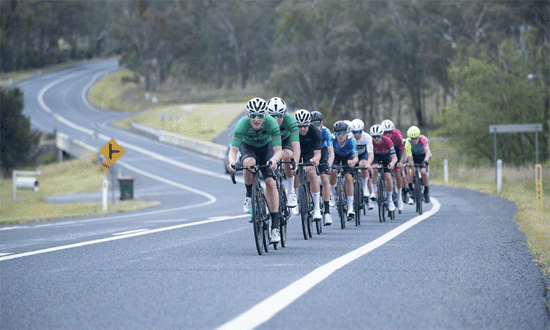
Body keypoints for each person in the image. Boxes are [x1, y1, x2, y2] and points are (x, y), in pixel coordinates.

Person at [227, 97, 283, 243]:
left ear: (265, 115)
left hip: (266, 149)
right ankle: (249, 195)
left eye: (260, 116)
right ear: (248, 116)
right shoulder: (242, 125)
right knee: (249, 163)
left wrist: (274, 160)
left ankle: (275, 227)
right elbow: (233, 150)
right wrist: (232, 163)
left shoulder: (271, 123)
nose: (256, 119)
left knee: (271, 183)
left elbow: (278, 151)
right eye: (253, 116)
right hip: (249, 147)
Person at [266, 97, 300, 208]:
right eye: (273, 116)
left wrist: (295, 163)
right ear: (267, 114)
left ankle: (290, 191)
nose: (276, 119)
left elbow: (296, 146)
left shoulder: (290, 120)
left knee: (286, 156)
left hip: (286, 141)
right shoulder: (263, 121)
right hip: (271, 142)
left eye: (280, 115)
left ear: (285, 113)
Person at [292, 109, 323, 222]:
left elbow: (318, 153)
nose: (303, 129)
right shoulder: (293, 131)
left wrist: (315, 160)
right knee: (294, 170)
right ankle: (295, 201)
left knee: (311, 170)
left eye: (305, 126)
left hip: (310, 151)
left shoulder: (315, 131)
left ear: (309, 123)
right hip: (297, 151)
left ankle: (316, 208)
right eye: (299, 126)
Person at [329, 120, 359, 219]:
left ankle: (350, 207)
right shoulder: (332, 139)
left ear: (346, 133)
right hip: (336, 156)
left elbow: (355, 157)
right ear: (335, 134)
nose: (340, 136)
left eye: (342, 133)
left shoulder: (351, 140)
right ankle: (333, 196)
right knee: (333, 171)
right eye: (337, 133)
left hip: (348, 157)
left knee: (348, 177)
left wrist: (353, 162)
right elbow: (328, 154)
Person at [311, 110, 334, 225]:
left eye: (317, 124)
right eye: (312, 124)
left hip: (323, 153)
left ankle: (327, 212)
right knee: (308, 175)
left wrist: (329, 164)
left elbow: (331, 152)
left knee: (325, 180)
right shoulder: (308, 131)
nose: (315, 126)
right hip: (311, 153)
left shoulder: (326, 132)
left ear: (322, 123)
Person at [370, 124, 397, 212]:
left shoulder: (388, 141)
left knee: (388, 177)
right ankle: (373, 191)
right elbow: (369, 156)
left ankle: (390, 199)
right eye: (374, 137)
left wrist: (392, 163)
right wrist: (369, 164)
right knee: (374, 170)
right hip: (376, 157)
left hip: (386, 158)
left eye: (378, 136)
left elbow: (394, 157)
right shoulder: (371, 142)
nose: (376, 138)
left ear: (382, 135)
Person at [381, 119, 406, 212]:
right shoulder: (380, 137)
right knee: (385, 173)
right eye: (385, 132)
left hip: (396, 151)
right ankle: (386, 194)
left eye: (389, 132)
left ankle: (399, 197)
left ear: (393, 131)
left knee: (398, 174)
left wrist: (401, 161)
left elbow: (403, 150)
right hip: (385, 152)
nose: (387, 134)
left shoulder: (397, 135)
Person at [349, 119, 375, 210]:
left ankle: (365, 188)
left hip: (363, 155)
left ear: (362, 130)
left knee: (363, 165)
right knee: (350, 177)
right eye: (354, 132)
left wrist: (369, 163)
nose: (356, 134)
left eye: (359, 132)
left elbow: (370, 154)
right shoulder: (349, 137)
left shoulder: (367, 137)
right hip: (352, 155)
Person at [404, 125, 432, 203]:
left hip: (422, 156)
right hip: (413, 156)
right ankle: (411, 189)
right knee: (407, 168)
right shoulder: (408, 142)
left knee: (423, 172)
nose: (415, 140)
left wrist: (425, 161)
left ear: (419, 136)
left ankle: (426, 190)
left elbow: (428, 151)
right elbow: (409, 157)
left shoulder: (423, 139)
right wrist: (413, 169)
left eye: (416, 138)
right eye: (413, 138)